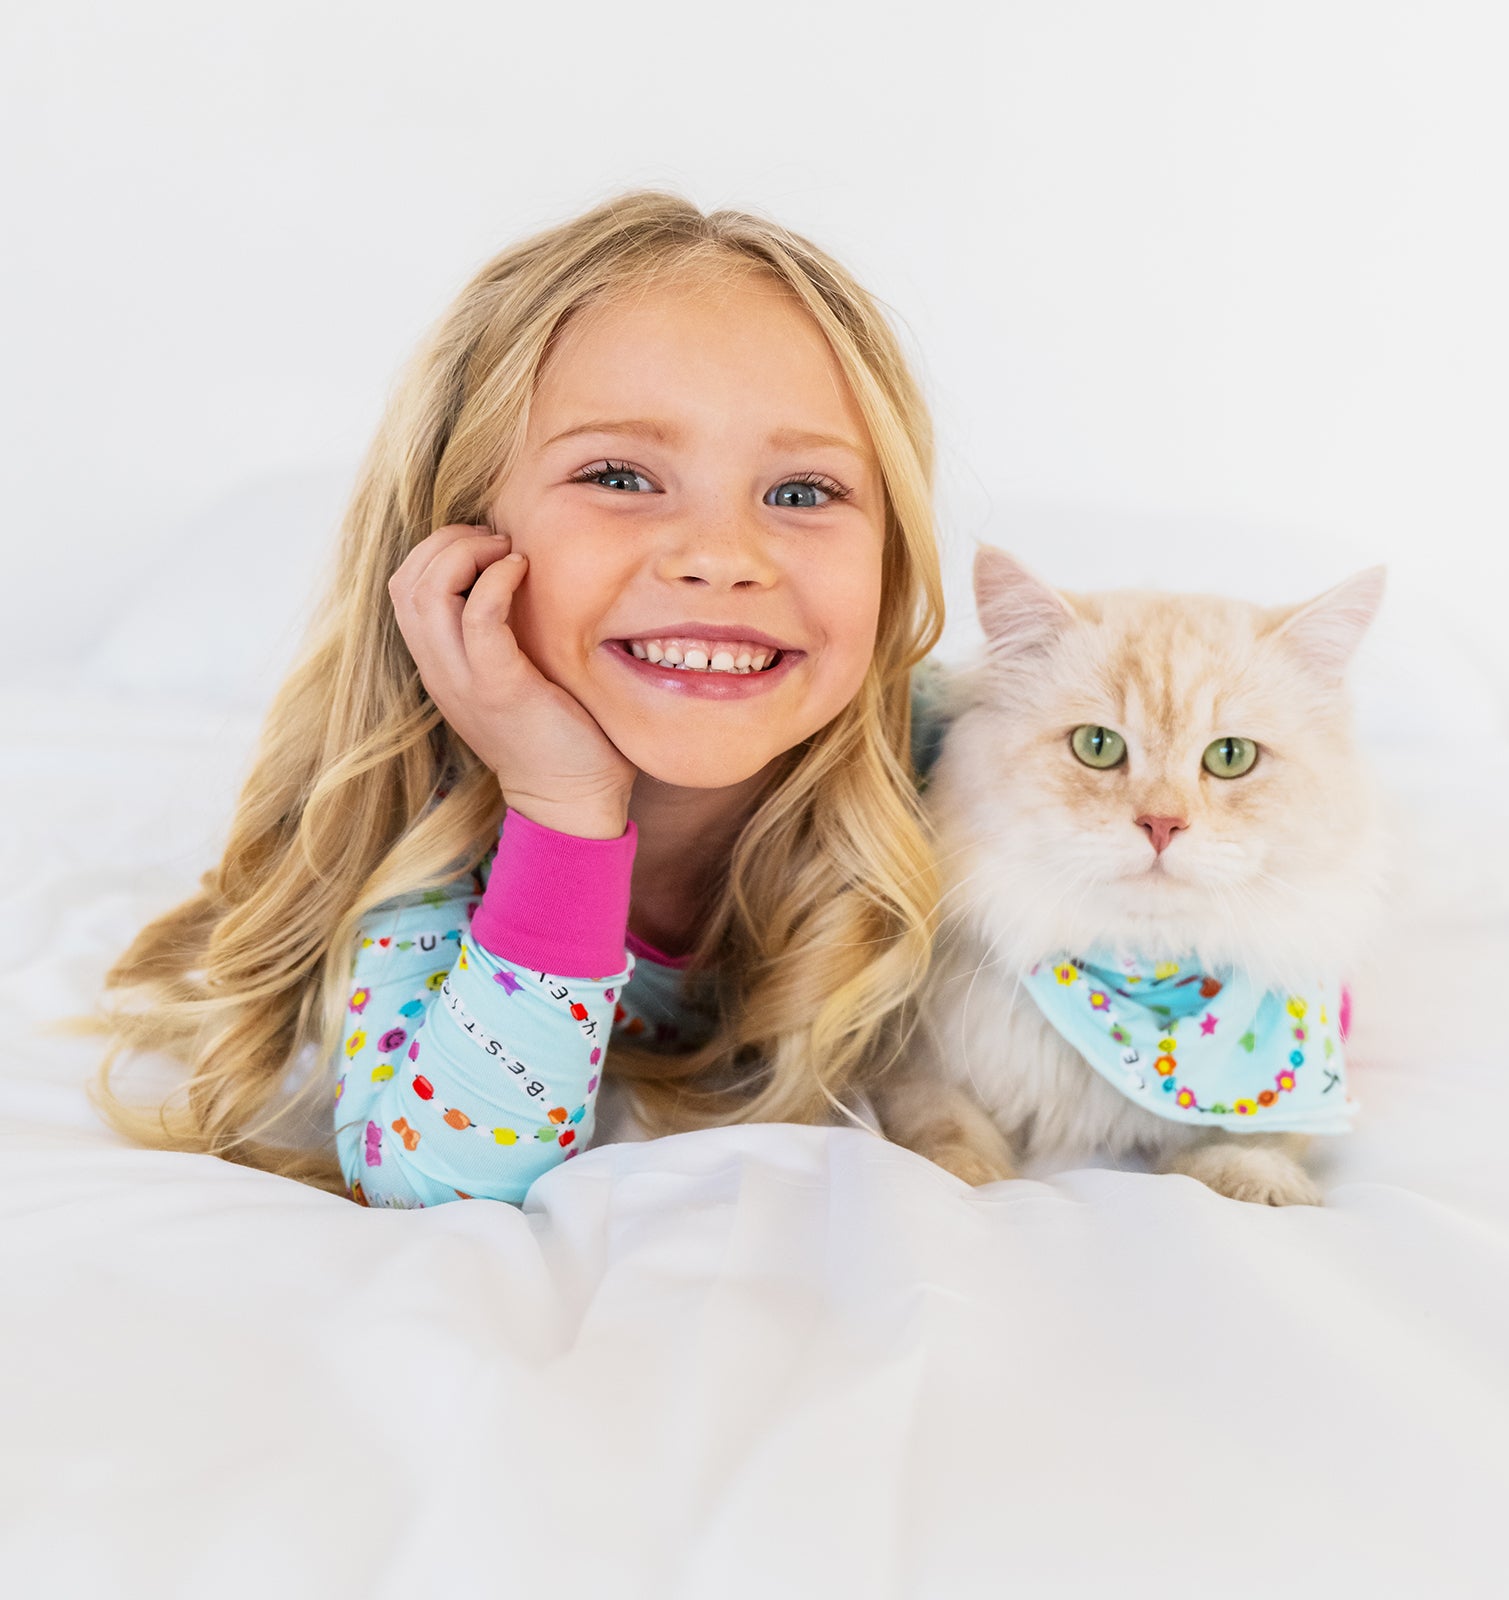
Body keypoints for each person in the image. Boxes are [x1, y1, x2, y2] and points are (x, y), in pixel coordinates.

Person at [76, 190, 951, 1207]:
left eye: (802, 492)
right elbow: (440, 1184)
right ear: (458, 532)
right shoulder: (434, 829)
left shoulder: (978, 764)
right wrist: (560, 808)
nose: (722, 557)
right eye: (620, 475)